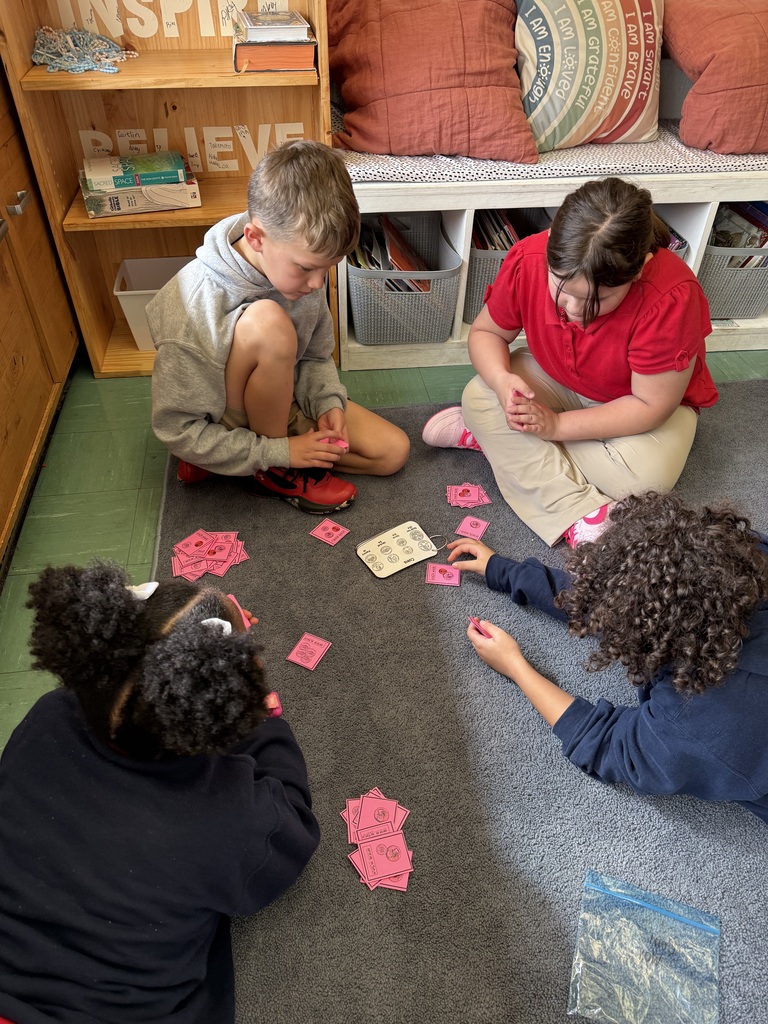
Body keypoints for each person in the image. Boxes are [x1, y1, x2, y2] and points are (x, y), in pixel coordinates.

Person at [0, 562, 320, 1024]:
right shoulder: (230, 815)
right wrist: (263, 715)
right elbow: (293, 824)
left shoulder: (50, 713)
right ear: (213, 713)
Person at [422, 177, 718, 546]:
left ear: (640, 268)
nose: (576, 311)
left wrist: (554, 428)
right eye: (561, 288)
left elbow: (650, 407)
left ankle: (503, 446)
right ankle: (580, 514)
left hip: (641, 408)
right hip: (558, 381)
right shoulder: (529, 258)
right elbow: (487, 334)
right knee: (480, 395)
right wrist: (501, 381)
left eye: (600, 299)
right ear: (549, 250)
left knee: (643, 484)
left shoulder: (671, 296)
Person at [447, 491, 768, 823]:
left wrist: (516, 667)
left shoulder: (694, 722)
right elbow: (610, 602)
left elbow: (609, 746)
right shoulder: (750, 559)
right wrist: (506, 572)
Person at [148, 139, 409, 516]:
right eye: (307, 268)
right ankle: (269, 466)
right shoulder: (196, 305)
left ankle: (236, 462)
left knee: (392, 452)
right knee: (270, 322)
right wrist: (278, 452)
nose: (318, 285)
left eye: (328, 268)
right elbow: (178, 431)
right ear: (256, 238)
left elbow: (316, 355)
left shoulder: (299, 266)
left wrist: (326, 402)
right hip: (221, 411)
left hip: (278, 395)